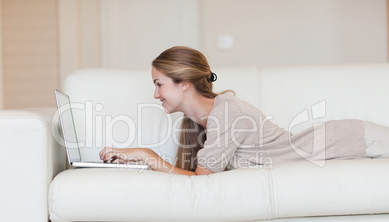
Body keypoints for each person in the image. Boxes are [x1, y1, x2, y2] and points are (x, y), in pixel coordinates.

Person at [99, 46, 389, 175]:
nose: (155, 94)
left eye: (159, 84)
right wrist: (136, 160)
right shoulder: (195, 124)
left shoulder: (226, 112)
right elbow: (190, 176)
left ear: (184, 83)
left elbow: (201, 179)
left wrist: (147, 156)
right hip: (343, 143)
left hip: (350, 140)